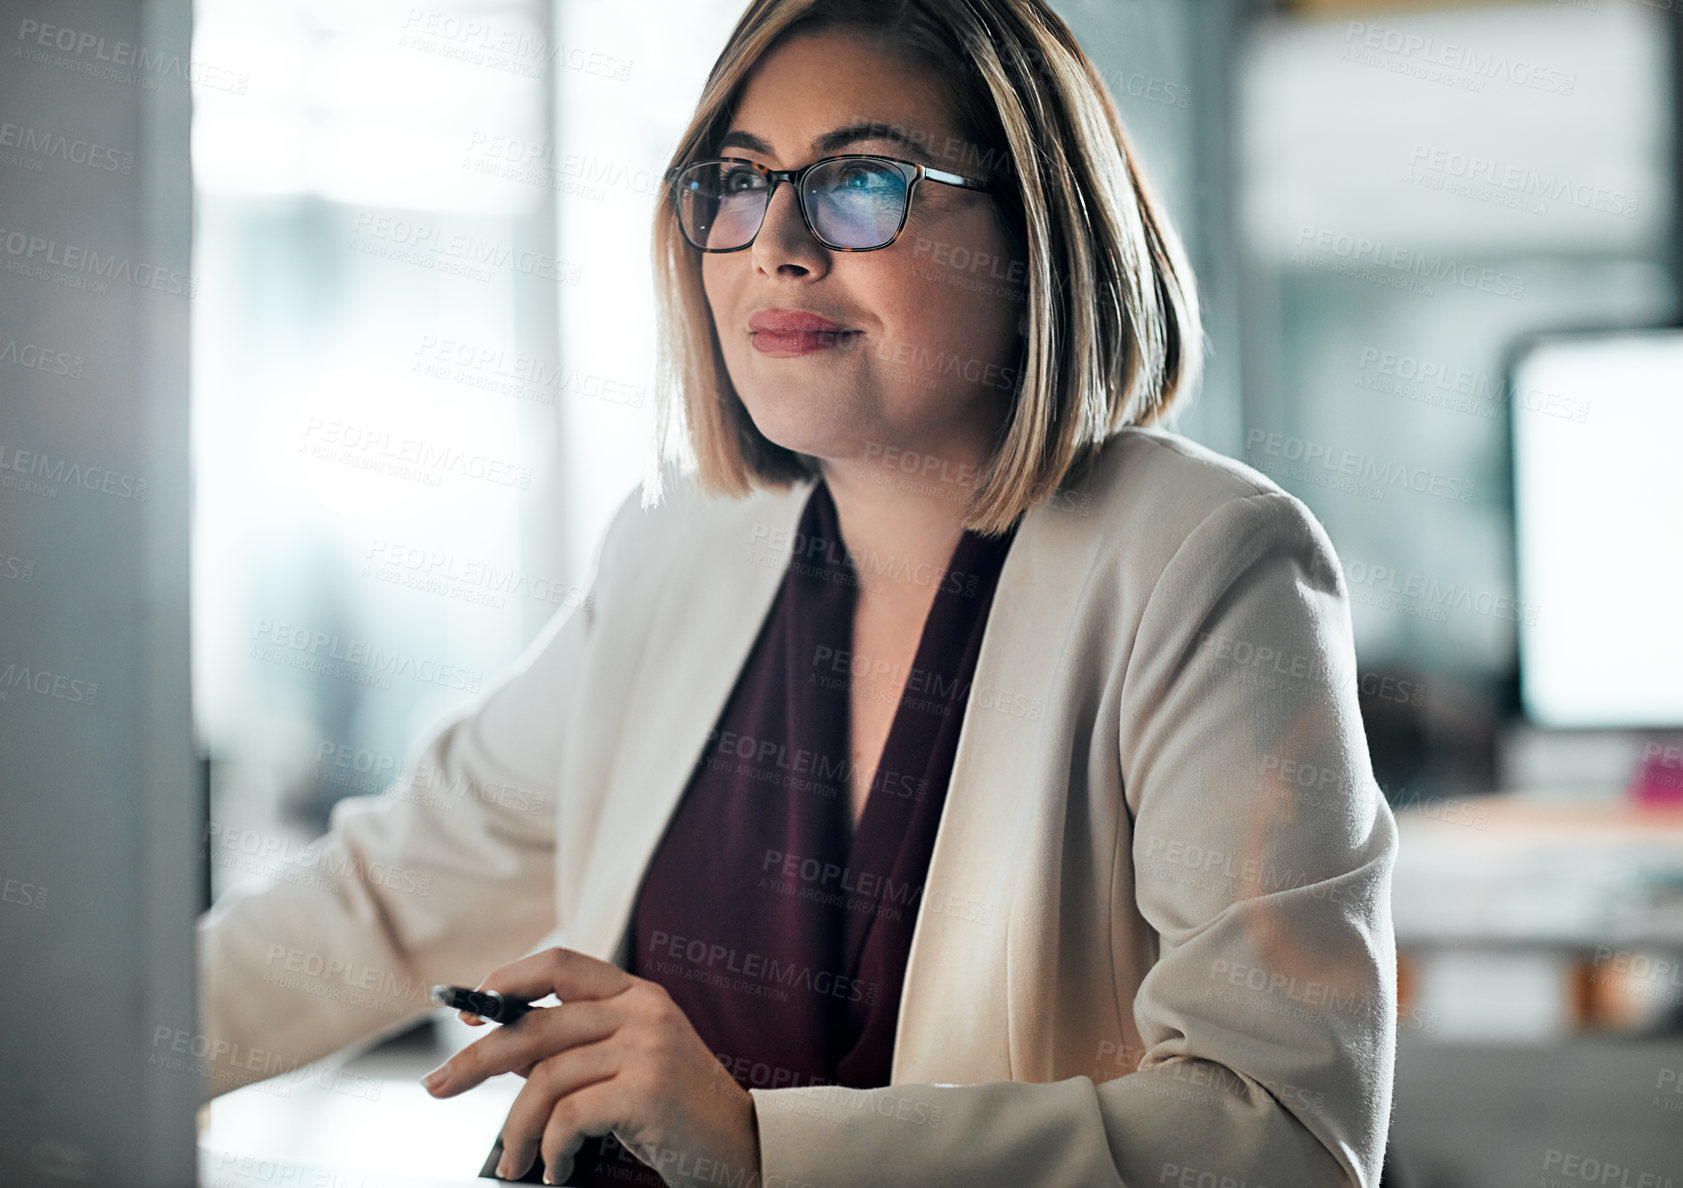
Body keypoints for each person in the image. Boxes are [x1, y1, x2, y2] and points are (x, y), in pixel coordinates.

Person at [197, 1, 1399, 1185]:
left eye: (862, 182)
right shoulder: (683, 545)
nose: (777, 244)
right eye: (736, 180)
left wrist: (761, 1149)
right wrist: (77, 1044)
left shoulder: (1208, 565)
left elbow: (1278, 1132)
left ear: (1035, 231)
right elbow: (386, 899)